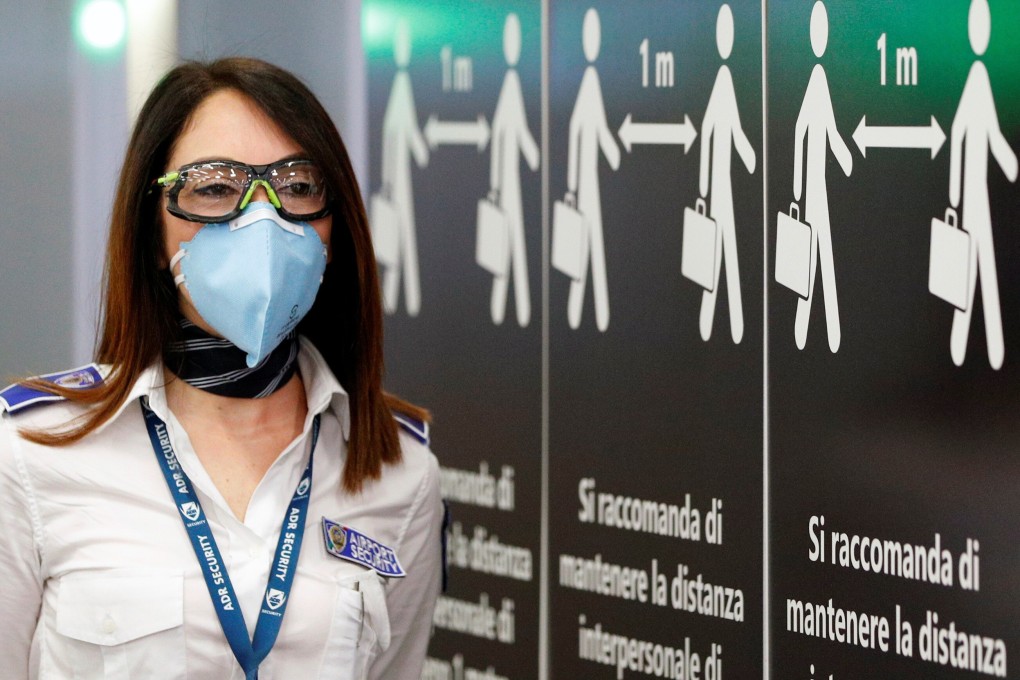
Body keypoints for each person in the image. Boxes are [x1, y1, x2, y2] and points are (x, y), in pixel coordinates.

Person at [0, 58, 443, 680]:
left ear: (333, 226)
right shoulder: (31, 452)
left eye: (296, 186)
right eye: (213, 188)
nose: (261, 221)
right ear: (153, 230)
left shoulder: (401, 473)